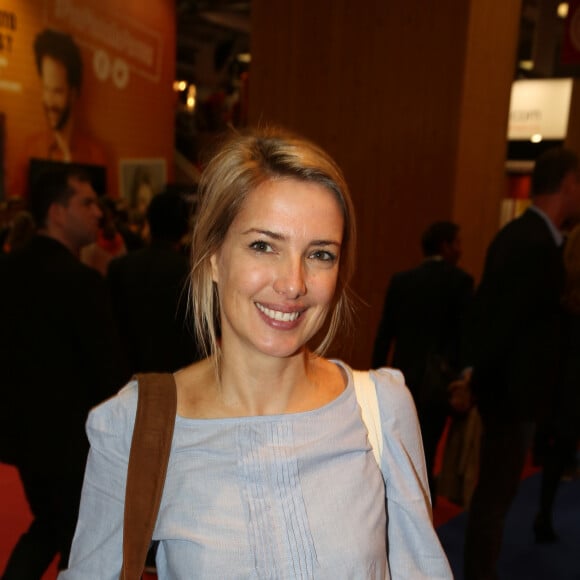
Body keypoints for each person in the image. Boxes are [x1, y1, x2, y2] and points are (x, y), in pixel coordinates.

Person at [60, 126, 452, 578]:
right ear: (213, 258)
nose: (293, 283)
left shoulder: (380, 410)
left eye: (320, 254)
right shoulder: (135, 426)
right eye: (263, 246)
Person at [0, 165, 129, 578]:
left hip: (20, 433)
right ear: (57, 212)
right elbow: (108, 371)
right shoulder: (81, 281)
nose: (98, 213)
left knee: (54, 528)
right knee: (79, 538)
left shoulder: (7, 271)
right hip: (73, 440)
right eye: (87, 202)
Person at [463, 147, 580, 580]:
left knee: (496, 500)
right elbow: (499, 323)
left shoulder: (530, 238)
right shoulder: (530, 243)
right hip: (510, 400)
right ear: (568, 183)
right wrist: (477, 378)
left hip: (514, 397)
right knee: (493, 502)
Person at [371, 220, 474, 502]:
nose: (460, 250)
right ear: (445, 245)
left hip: (401, 378)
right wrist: (465, 376)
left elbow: (384, 334)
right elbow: (466, 335)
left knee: (397, 445)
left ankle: (394, 501)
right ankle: (421, 512)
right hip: (439, 382)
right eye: (457, 243)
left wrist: (375, 377)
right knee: (427, 449)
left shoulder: (401, 281)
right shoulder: (460, 282)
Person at [107, 189, 202, 375]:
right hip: (179, 378)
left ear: (149, 222)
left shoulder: (118, 267)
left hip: (128, 376)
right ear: (185, 227)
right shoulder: (190, 272)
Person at [12, 28, 108, 197]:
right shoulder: (30, 149)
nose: (49, 101)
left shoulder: (96, 154)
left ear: (73, 93)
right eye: (46, 89)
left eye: (57, 91)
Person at [533, 221, 580, 542]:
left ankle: (544, 514)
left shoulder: (560, 288)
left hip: (562, 383)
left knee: (558, 451)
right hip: (568, 383)